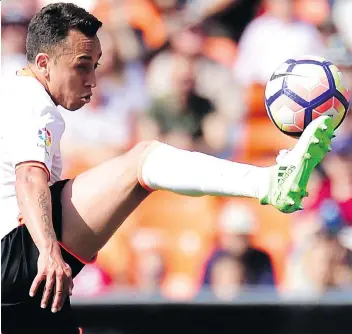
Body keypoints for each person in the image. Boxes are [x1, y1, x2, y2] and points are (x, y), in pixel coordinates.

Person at [0, 3, 334, 333]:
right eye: (82, 66)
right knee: (143, 160)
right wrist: (47, 250)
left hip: (14, 278)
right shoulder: (32, 102)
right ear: (44, 63)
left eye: (96, 66)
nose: (92, 80)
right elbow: (29, 176)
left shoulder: (15, 93)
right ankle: (269, 182)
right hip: (16, 254)